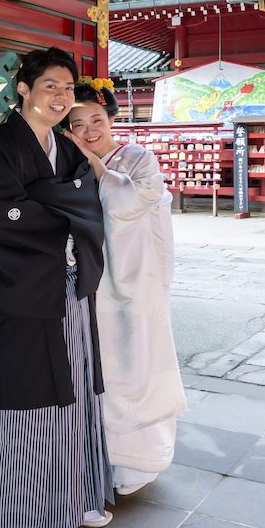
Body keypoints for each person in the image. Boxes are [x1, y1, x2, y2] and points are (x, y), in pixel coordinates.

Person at [0, 49, 113, 528]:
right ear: (23, 90)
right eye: (50, 86)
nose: (60, 96)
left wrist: (50, 200)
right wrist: (64, 205)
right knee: (26, 413)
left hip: (69, 292)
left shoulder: (65, 149)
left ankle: (73, 503)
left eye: (67, 88)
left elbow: (89, 201)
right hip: (20, 298)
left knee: (74, 402)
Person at [64, 77, 186, 496]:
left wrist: (96, 166)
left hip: (138, 278)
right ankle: (103, 451)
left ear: (112, 119)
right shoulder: (67, 160)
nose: (89, 131)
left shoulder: (136, 157)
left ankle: (141, 456)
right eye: (77, 124)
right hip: (96, 275)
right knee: (104, 363)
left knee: (138, 360)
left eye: (96, 119)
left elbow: (132, 203)